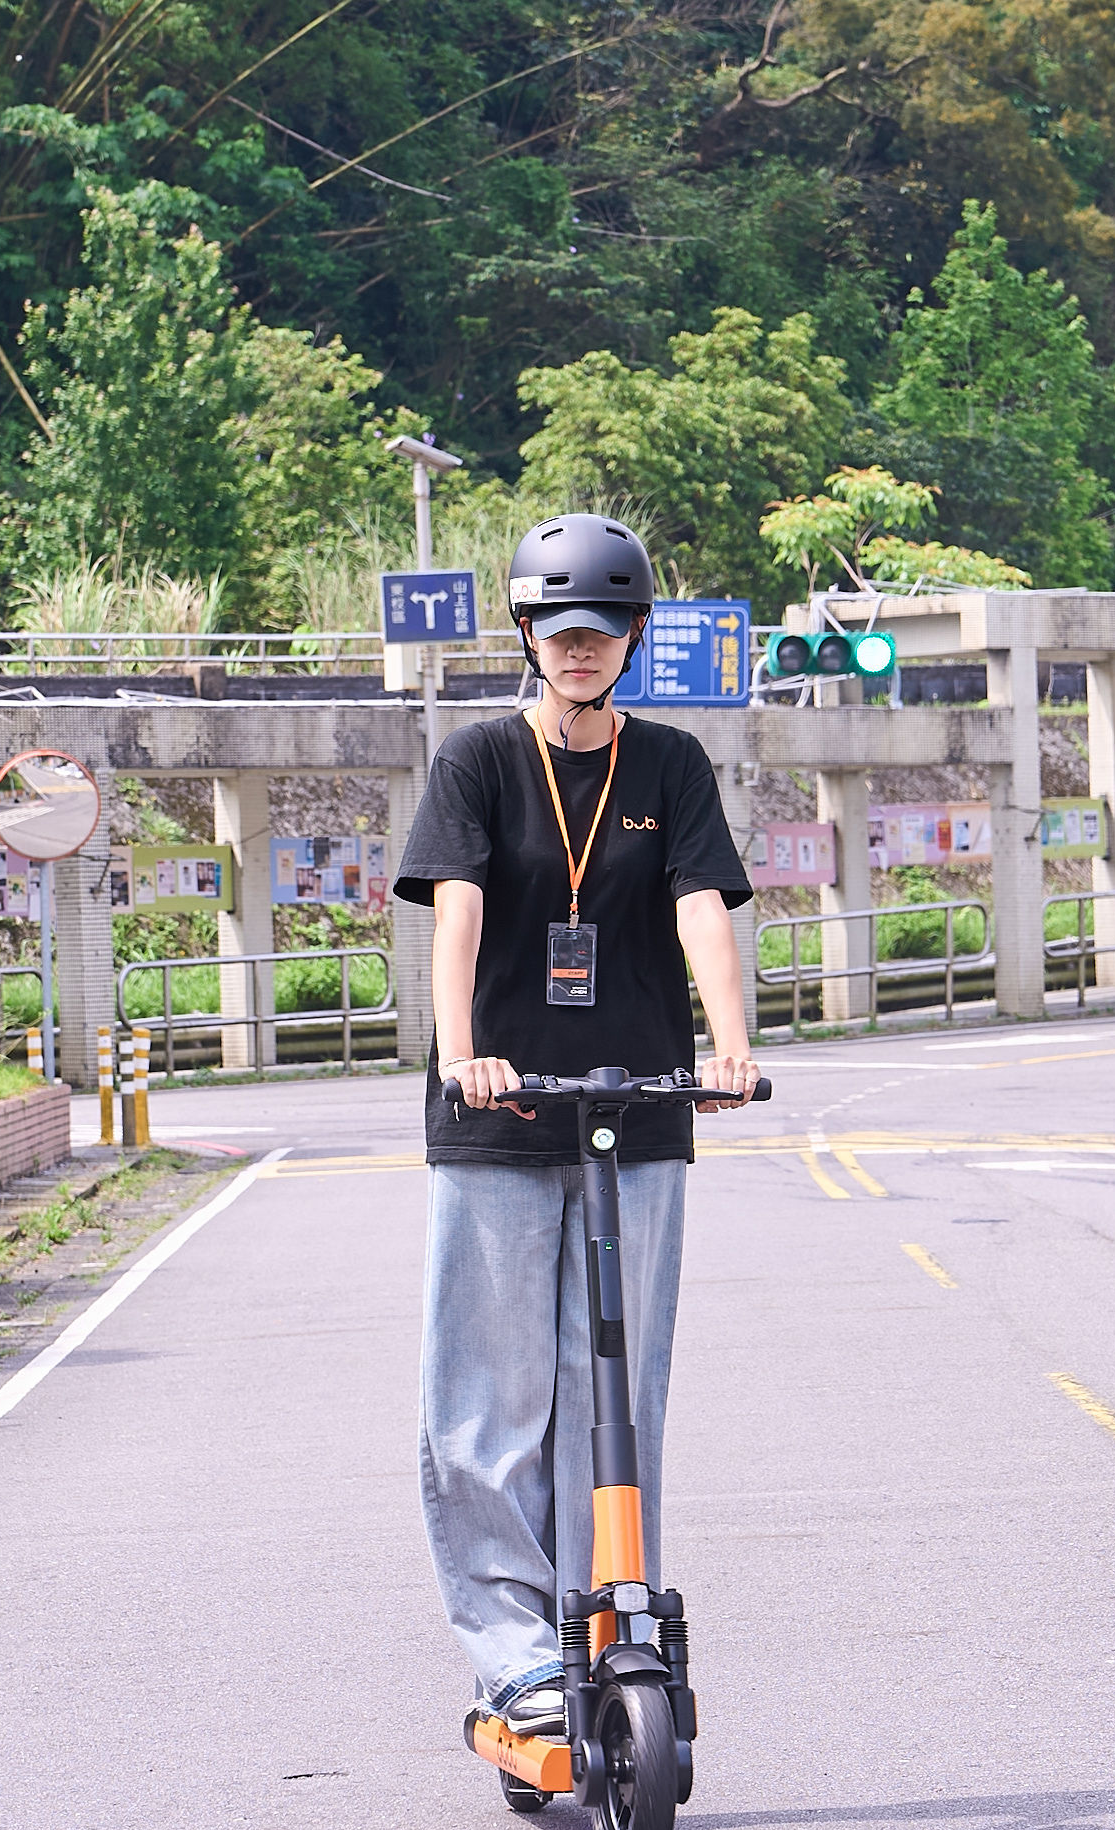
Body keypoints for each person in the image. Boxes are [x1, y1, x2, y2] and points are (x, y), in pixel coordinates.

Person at [391, 513, 758, 1743]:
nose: (579, 651)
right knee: (491, 1400)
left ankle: (605, 1618)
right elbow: (456, 915)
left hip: (637, 1113)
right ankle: (510, 1656)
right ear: (528, 638)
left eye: (600, 632)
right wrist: (461, 1057)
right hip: (500, 1117)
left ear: (635, 637)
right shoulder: (478, 762)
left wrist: (730, 1042)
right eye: (558, 632)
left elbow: (702, 902)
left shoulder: (670, 765)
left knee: (614, 1392)